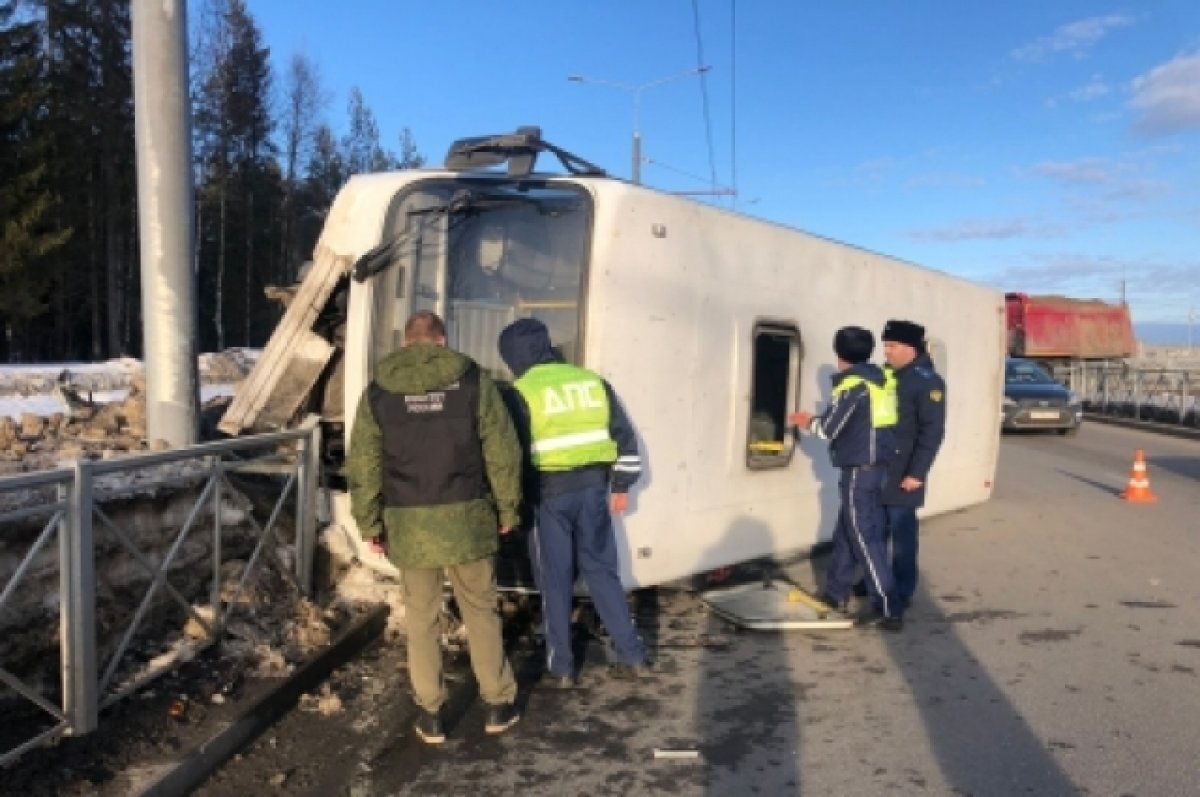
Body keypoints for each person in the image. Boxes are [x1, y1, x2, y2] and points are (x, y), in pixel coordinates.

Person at [347, 310, 522, 745]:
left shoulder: (379, 392)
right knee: (481, 611)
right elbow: (503, 451)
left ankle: (431, 714)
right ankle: (498, 703)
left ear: (407, 343)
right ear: (441, 341)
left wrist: (369, 521)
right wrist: (507, 509)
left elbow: (363, 464)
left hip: (408, 524)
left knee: (421, 617)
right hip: (467, 518)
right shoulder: (473, 381)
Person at [497, 318, 649, 687]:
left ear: (513, 357)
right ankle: (633, 655)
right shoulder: (592, 382)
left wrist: (509, 503)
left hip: (547, 495)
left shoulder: (520, 392)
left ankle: (562, 666)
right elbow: (624, 437)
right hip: (595, 490)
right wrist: (621, 485)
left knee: (555, 579)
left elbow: (510, 454)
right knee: (602, 571)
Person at [790, 326, 903, 631]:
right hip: (880, 467)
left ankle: (888, 607)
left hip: (860, 472)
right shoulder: (882, 380)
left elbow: (829, 429)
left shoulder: (852, 386)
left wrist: (806, 421)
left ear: (839, 354)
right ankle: (836, 593)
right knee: (847, 532)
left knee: (865, 538)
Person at [879, 319, 946, 612]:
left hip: (905, 473)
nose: (886, 352)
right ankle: (876, 580)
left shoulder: (926, 381)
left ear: (909, 348)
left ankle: (903, 588)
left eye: (891, 346)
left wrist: (917, 473)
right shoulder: (891, 376)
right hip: (881, 467)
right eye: (886, 346)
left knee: (902, 535)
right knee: (875, 531)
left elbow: (932, 432)